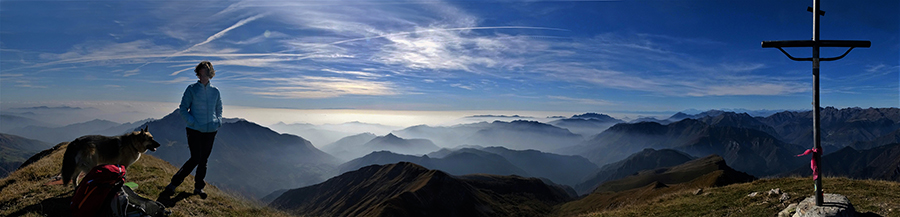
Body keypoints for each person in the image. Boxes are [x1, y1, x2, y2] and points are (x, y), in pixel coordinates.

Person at [161, 61, 222, 199]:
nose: (201, 77)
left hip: (211, 130)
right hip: (194, 130)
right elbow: (183, 109)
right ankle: (173, 184)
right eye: (199, 74)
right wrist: (193, 122)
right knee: (195, 158)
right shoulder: (191, 89)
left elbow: (219, 108)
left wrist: (218, 121)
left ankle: (198, 188)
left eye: (204, 74)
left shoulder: (215, 91)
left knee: (203, 160)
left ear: (209, 74)